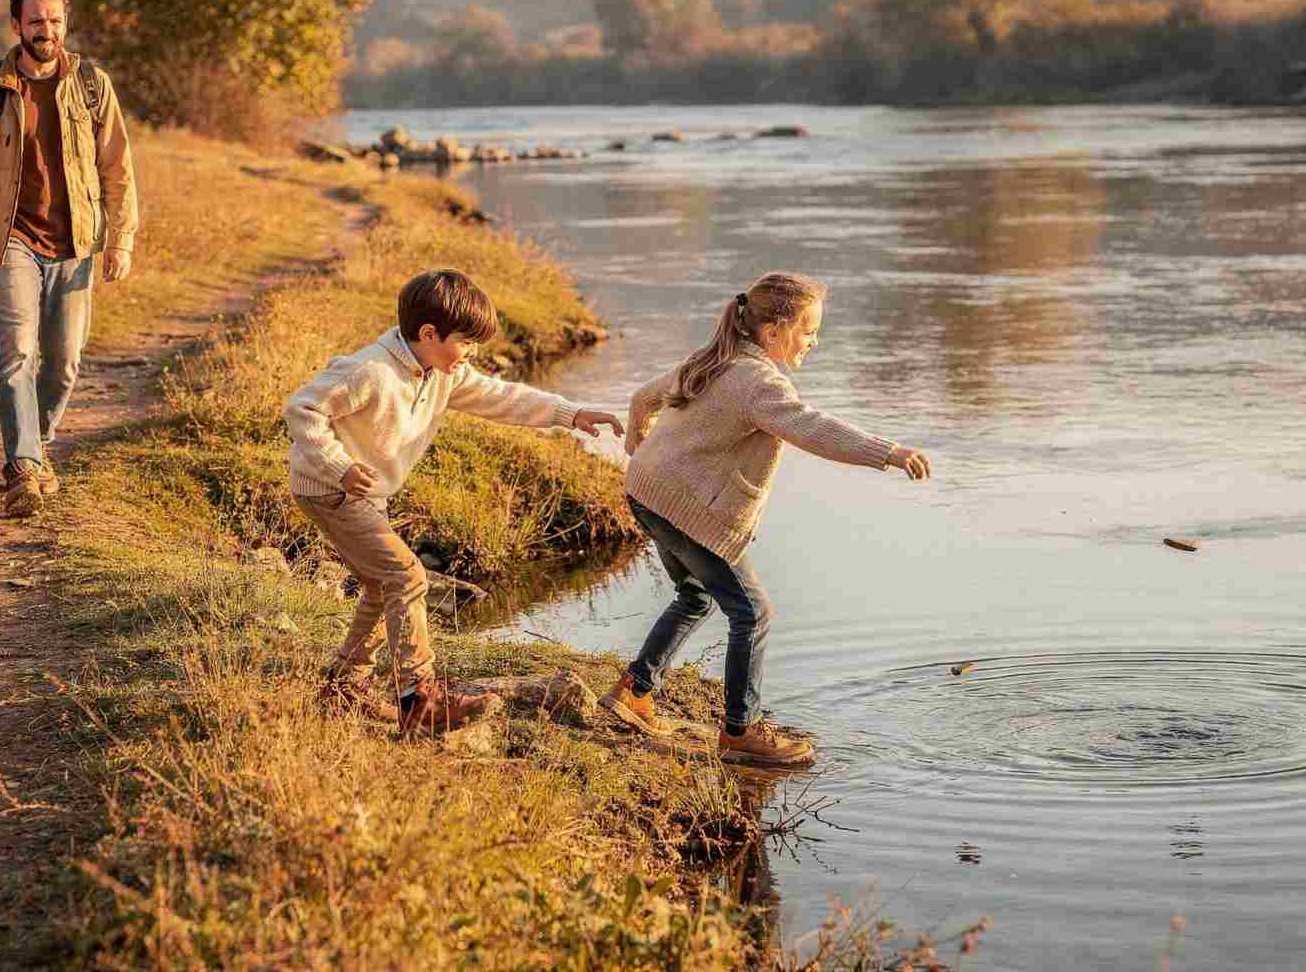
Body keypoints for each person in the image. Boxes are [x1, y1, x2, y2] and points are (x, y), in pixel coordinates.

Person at [600, 271, 932, 766]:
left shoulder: (713, 359)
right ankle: (740, 731)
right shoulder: (758, 383)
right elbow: (812, 429)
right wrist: (887, 452)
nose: (814, 341)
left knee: (695, 596)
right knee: (752, 612)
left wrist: (637, 441)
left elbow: (641, 398)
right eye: (808, 330)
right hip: (686, 509)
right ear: (773, 332)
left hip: (646, 492)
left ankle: (634, 692)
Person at [286, 269, 627, 736]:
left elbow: (503, 397)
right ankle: (419, 697)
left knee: (381, 585)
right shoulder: (372, 371)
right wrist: (338, 465)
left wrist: (571, 414)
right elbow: (303, 409)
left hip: (365, 493)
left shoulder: (441, 373)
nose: (471, 353)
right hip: (331, 490)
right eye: (466, 342)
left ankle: (345, 685)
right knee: (406, 576)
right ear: (429, 334)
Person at [0, 0, 138, 517]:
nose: (46, 30)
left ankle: (38, 444)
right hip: (12, 240)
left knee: (64, 363)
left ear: (65, 23)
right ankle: (23, 467)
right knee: (17, 353)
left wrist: (120, 239)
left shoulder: (92, 85)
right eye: (35, 21)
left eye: (54, 20)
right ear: (17, 25)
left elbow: (117, 167)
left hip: (76, 243)